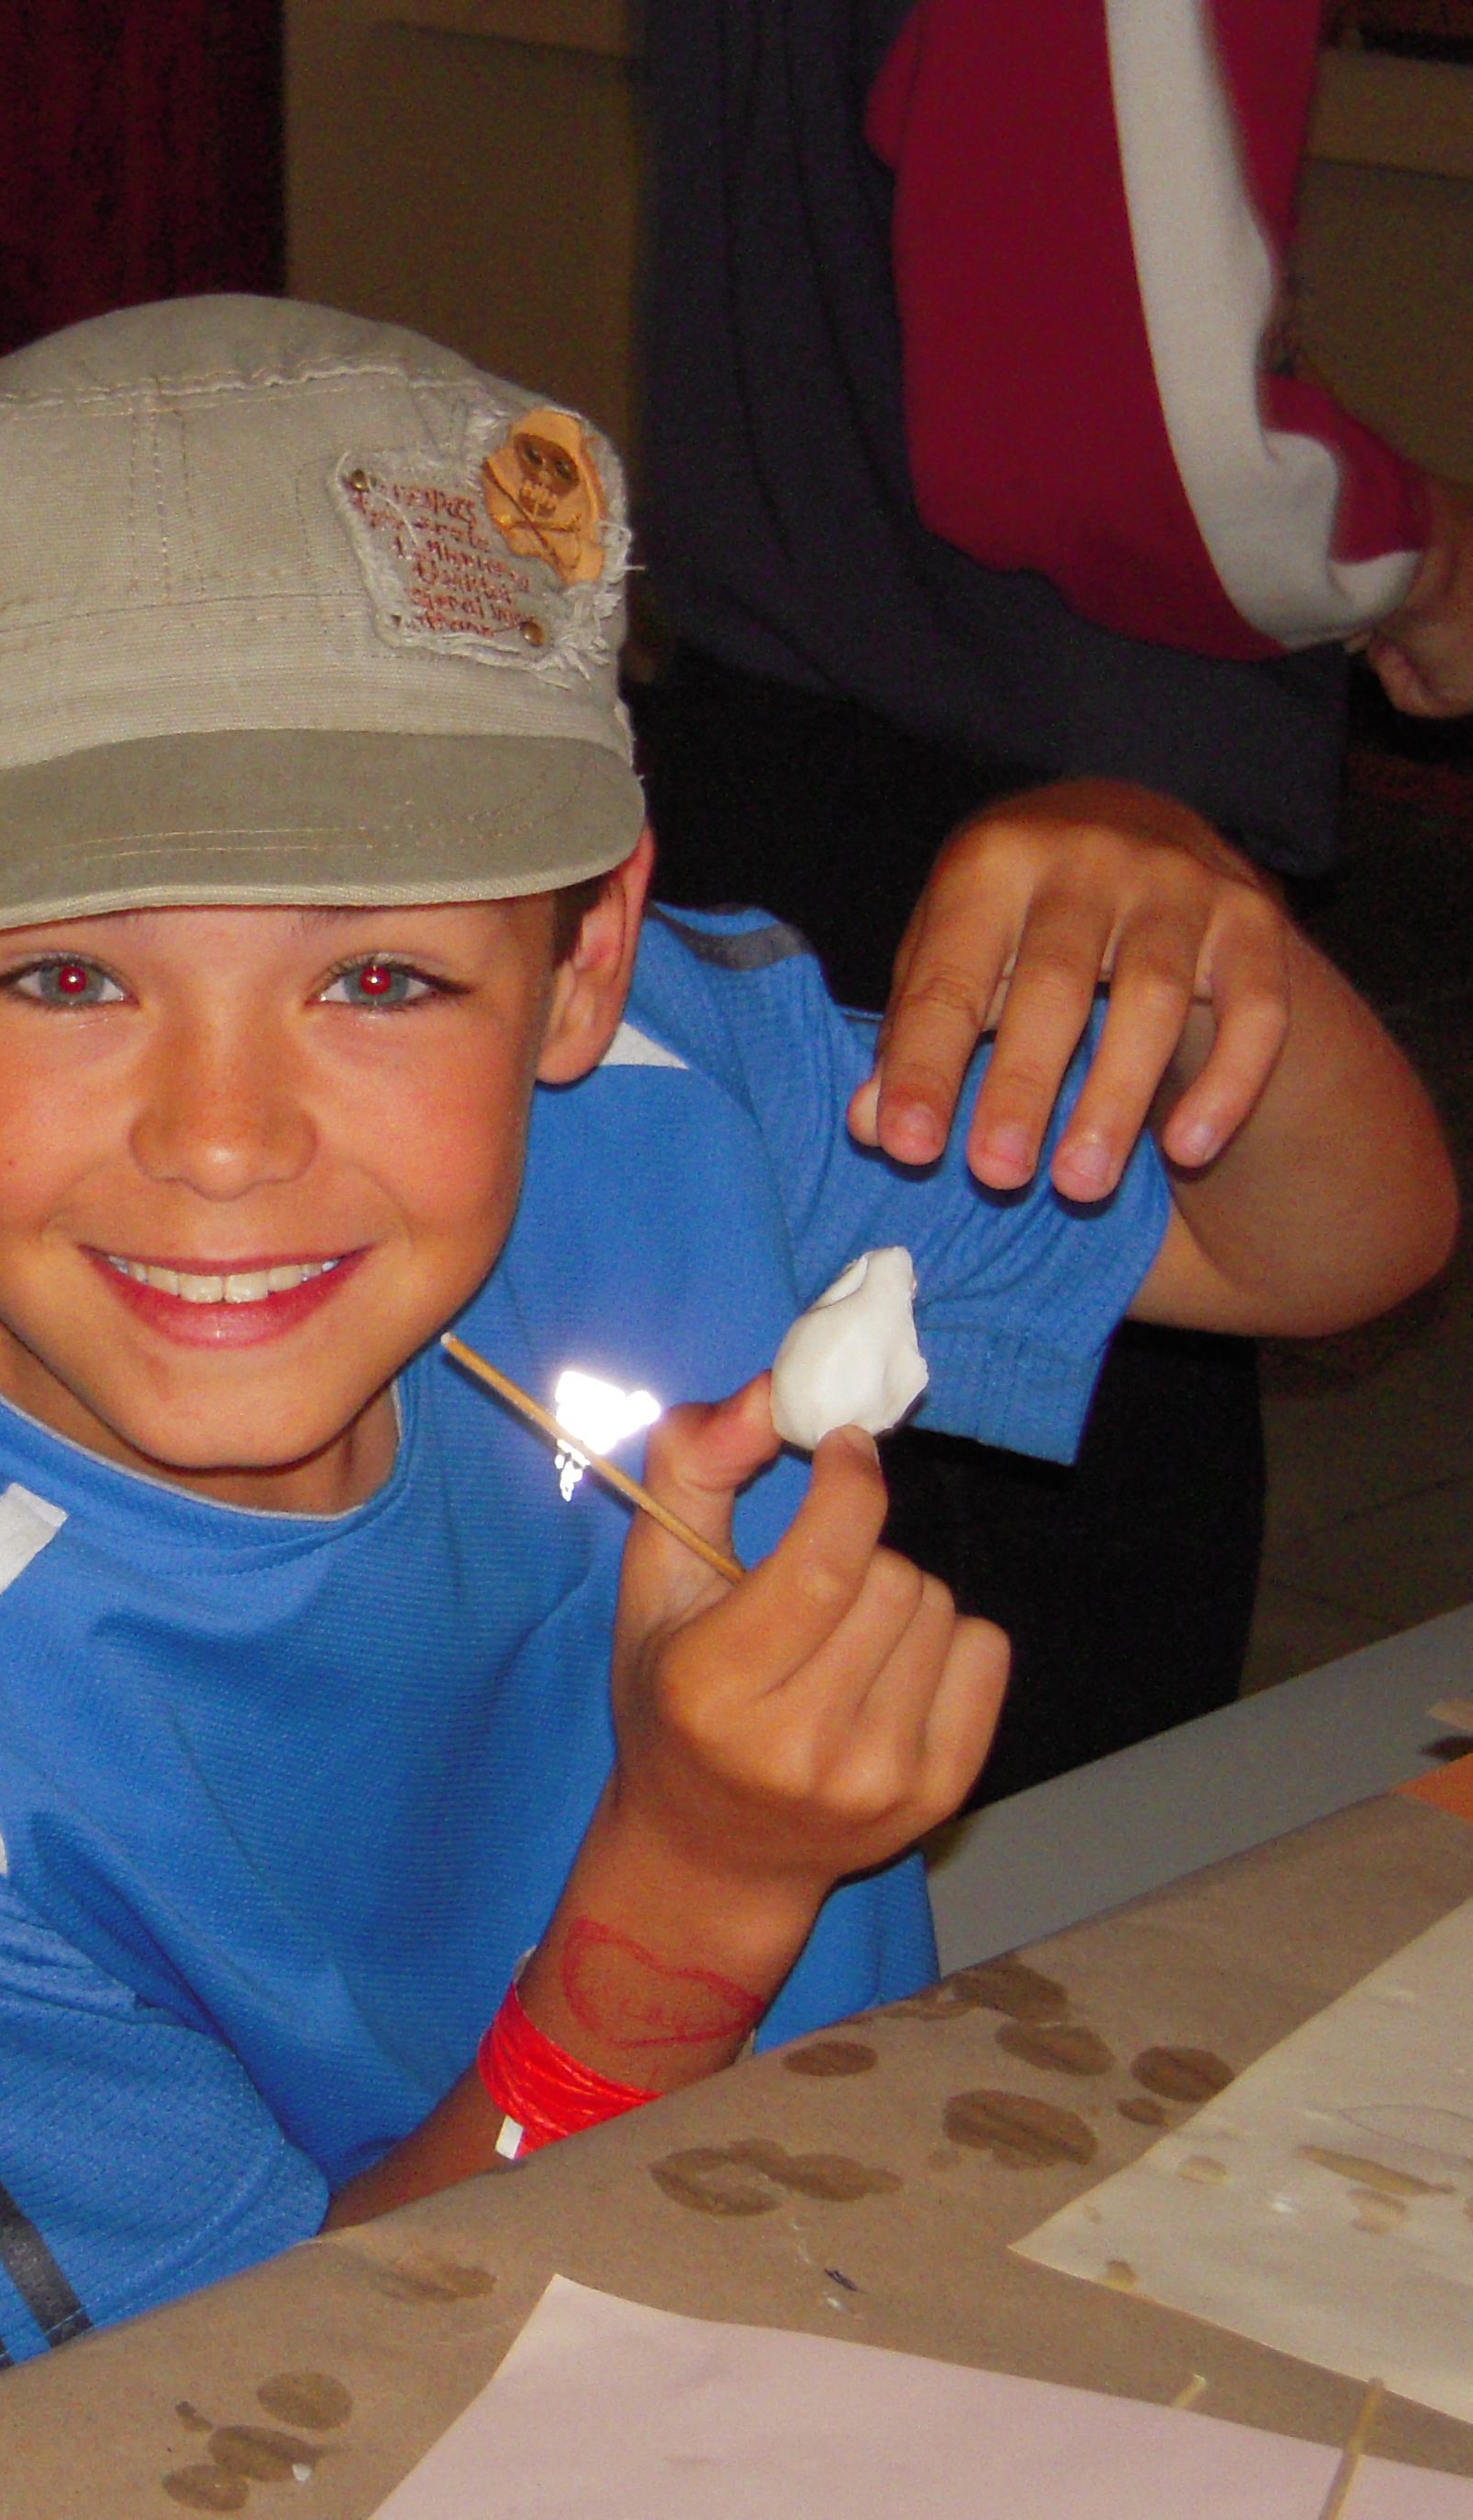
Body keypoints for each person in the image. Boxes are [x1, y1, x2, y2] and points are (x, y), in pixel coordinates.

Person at [0, 297, 1453, 2425]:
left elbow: (1337, 1244)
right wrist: (691, 1896)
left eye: (381, 976)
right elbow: (222, 2432)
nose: (223, 1142)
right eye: (70, 976)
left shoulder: (662, 1088)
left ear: (584, 964)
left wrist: (1194, 919)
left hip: (892, 2256)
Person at [635, 0, 1473, 1795]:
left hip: (822, 758)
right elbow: (1117, 441)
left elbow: (1348, 1241)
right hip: (984, 780)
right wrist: (1422, 555)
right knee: (1034, 1644)